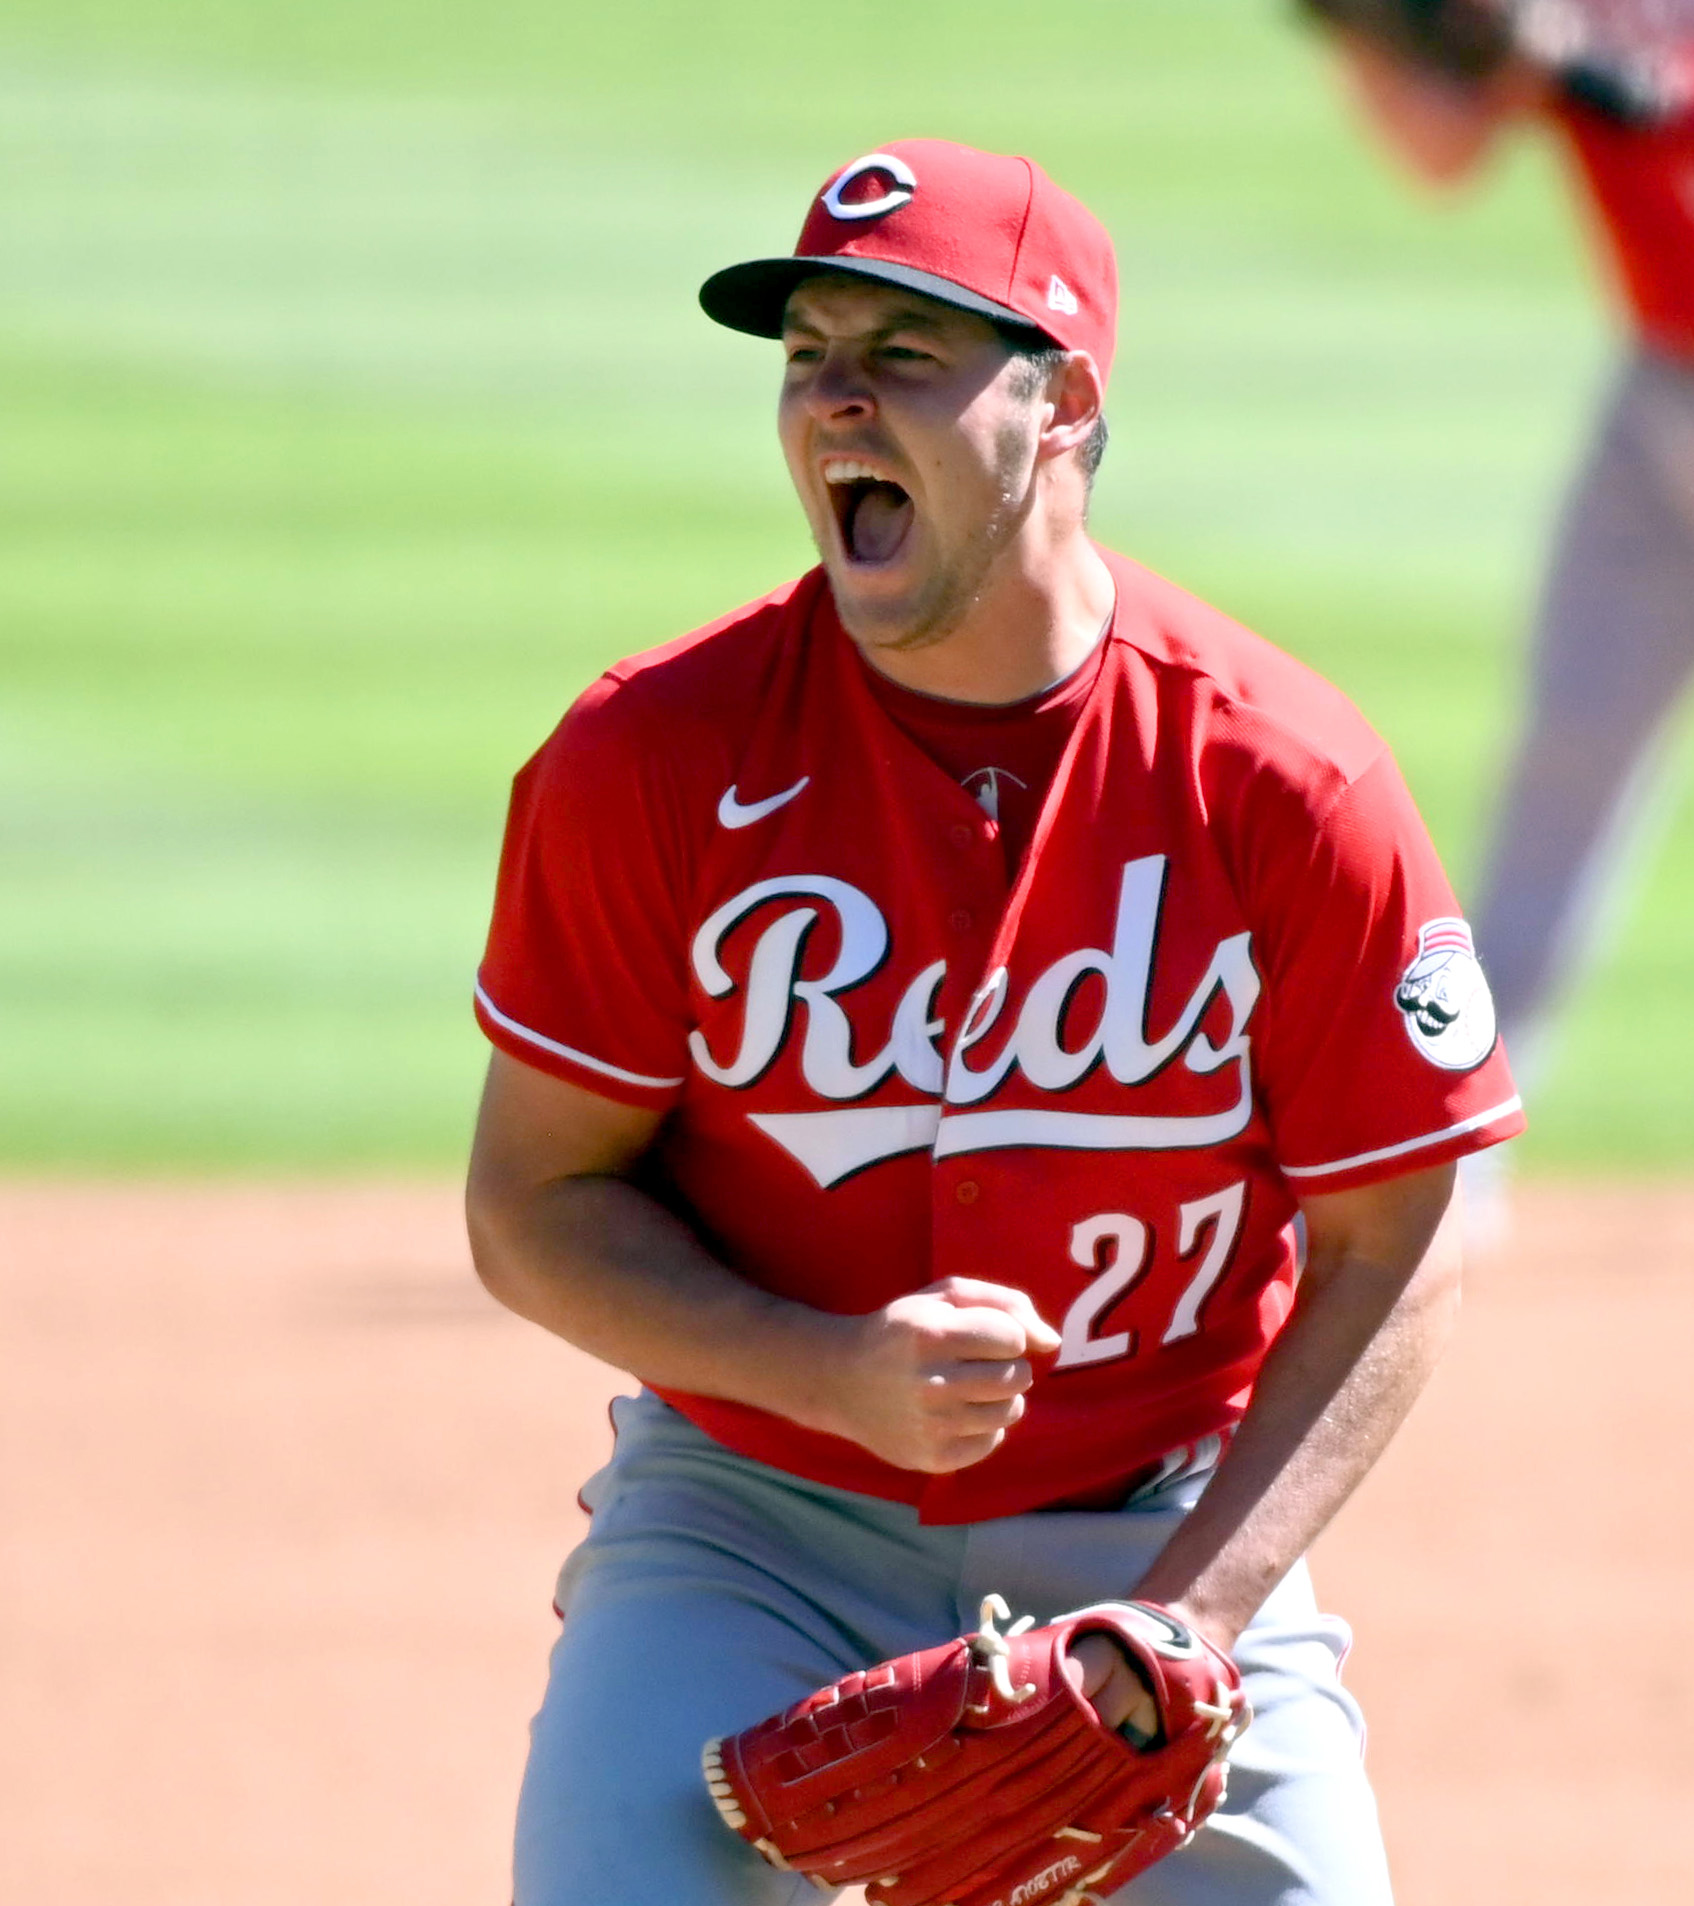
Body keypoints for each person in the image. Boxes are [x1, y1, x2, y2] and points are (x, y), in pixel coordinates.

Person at [464, 137, 1523, 1906]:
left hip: (1162, 1523)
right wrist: (828, 1374)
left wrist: (1191, 1619)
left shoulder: (1283, 780)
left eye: (904, 355)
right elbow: (529, 1207)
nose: (836, 406)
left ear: (1068, 405)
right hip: (750, 1537)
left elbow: (1394, 1241)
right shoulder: (650, 759)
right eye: (809, 356)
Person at [1306, 0, 1694, 1114]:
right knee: (1565, 759)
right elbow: (1444, 152)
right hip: (1664, 403)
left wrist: (1579, 66)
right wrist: (1367, 40)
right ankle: (1449, 1140)